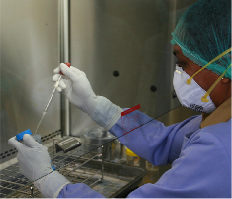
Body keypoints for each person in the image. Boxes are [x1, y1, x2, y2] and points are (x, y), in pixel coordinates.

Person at [8, 0, 231, 197]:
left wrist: (49, 182)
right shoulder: (220, 117)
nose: (179, 74)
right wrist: (95, 105)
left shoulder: (219, 147)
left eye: (183, 64)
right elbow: (164, 142)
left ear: (223, 68)